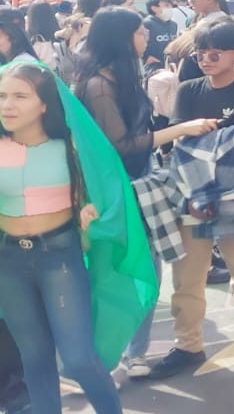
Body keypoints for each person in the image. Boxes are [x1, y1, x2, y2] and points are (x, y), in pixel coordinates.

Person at [74, 7, 218, 378]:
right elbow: (122, 144)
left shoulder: (122, 76)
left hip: (138, 185)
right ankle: (111, 355)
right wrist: (180, 129)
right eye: (140, 33)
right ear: (122, 39)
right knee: (121, 272)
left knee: (147, 271)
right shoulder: (99, 85)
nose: (146, 38)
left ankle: (133, 353)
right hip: (113, 192)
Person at [0, 64, 134, 414]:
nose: (7, 105)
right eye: (2, 96)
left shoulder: (72, 150)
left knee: (79, 358)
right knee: (34, 356)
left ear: (45, 104)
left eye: (20, 96)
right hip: (8, 262)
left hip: (59, 257)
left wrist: (91, 212)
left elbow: (106, 193)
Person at [150, 18, 234, 380]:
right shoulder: (188, 89)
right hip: (192, 195)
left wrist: (203, 143)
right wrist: (214, 146)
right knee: (187, 279)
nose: (205, 59)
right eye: (199, 53)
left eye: (214, 53)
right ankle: (188, 345)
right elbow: (181, 144)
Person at [143, 0, 178, 71]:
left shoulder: (173, 24)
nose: (170, 8)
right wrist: (145, 57)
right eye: (166, 5)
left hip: (170, 65)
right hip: (153, 67)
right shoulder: (146, 24)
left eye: (170, 5)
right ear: (154, 8)